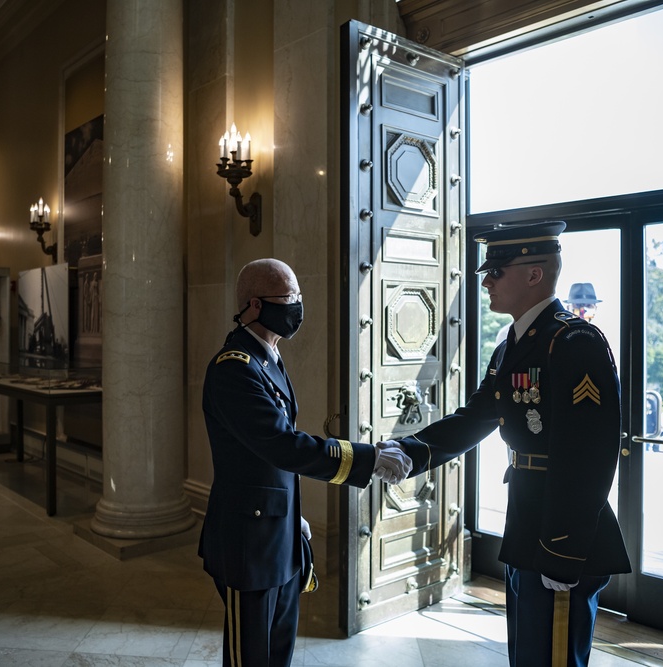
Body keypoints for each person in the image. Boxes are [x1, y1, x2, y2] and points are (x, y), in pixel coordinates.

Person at [383, 221, 630, 666]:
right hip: (528, 521)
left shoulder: (574, 341)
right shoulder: (513, 344)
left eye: (497, 270)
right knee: (528, 655)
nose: (486, 280)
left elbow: (589, 455)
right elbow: (476, 417)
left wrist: (563, 547)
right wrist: (410, 450)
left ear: (535, 275)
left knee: (552, 657)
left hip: (561, 532)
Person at [199, 258, 412, 667]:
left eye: (299, 296)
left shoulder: (268, 357)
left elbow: (270, 460)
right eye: (288, 298)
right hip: (248, 540)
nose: (297, 306)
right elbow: (282, 445)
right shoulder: (234, 368)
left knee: (279, 650)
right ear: (255, 305)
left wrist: (292, 515)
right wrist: (366, 458)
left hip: (278, 531)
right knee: (250, 658)